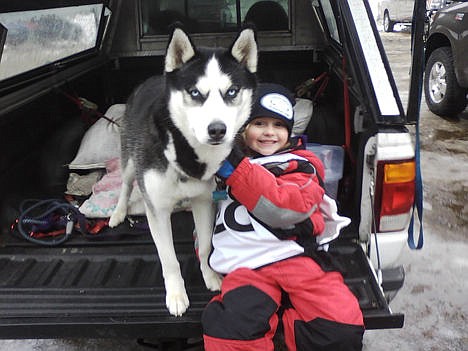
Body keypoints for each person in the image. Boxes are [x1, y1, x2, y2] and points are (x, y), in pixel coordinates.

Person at [201, 83, 364, 351]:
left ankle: (284, 331)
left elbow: (288, 209)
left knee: (341, 327)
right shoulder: (222, 166)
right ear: (243, 129)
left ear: (289, 133)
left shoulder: (301, 163)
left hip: (297, 257)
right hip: (246, 265)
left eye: (278, 125)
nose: (269, 132)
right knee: (230, 332)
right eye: (259, 123)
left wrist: (235, 169)